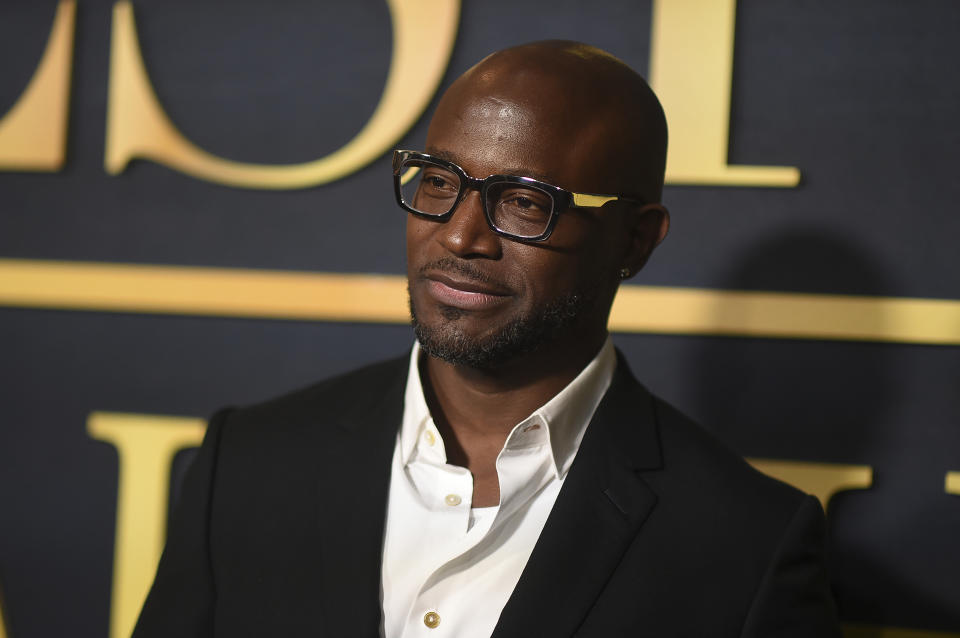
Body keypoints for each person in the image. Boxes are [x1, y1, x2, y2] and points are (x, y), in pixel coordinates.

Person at [132, 41, 841, 637]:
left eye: (526, 201)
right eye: (440, 181)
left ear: (634, 241)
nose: (461, 234)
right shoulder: (249, 464)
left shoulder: (745, 546)